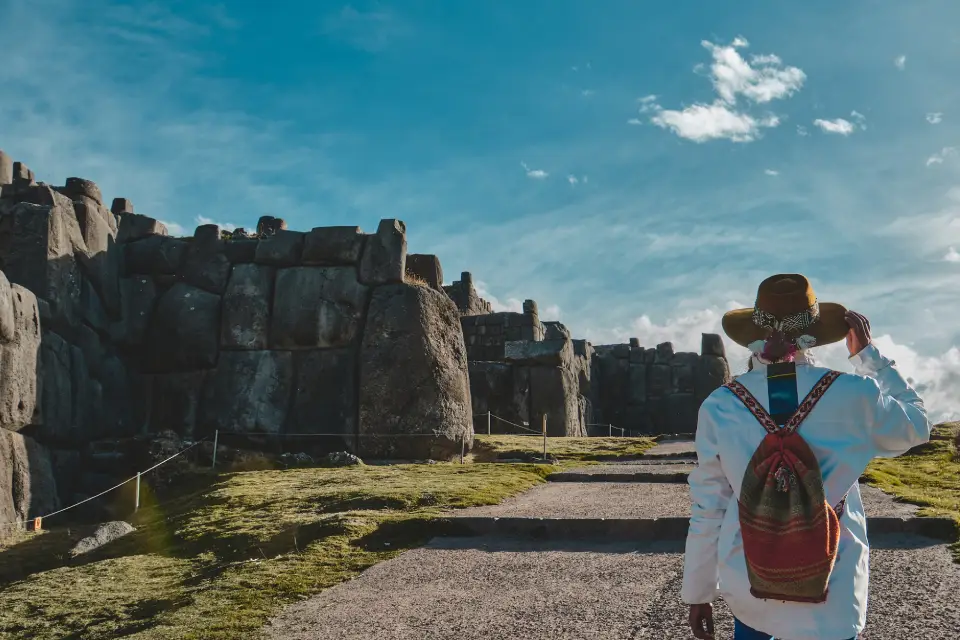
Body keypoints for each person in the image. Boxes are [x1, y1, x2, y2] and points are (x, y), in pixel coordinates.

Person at [682, 274, 930, 640]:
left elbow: (709, 507)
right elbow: (917, 425)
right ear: (816, 333)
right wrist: (868, 356)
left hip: (751, 585)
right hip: (834, 589)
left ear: (755, 333)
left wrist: (698, 593)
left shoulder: (720, 406)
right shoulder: (855, 393)